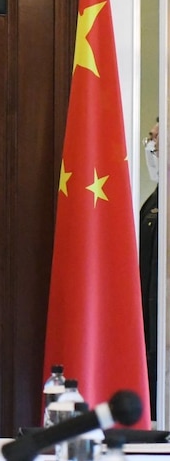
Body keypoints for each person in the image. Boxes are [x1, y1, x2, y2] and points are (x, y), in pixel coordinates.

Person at [140, 118, 159, 422]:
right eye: (151, 139)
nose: (151, 146)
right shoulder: (153, 202)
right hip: (151, 334)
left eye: (157, 139)